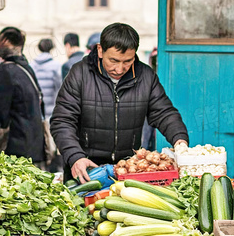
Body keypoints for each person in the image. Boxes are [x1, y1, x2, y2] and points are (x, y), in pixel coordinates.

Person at [50, 22, 189, 183]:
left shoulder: (145, 76)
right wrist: (75, 156)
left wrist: (179, 140)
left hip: (129, 170)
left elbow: (164, 113)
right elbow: (62, 120)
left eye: (127, 61)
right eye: (114, 61)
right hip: (86, 169)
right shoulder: (80, 73)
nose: (119, 69)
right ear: (100, 50)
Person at [0, 26, 46, 165]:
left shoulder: (6, 71)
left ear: (5, 42)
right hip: (32, 143)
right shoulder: (26, 67)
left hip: (16, 147)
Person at [31, 38, 62, 121]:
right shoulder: (56, 66)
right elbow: (59, 88)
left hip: (36, 109)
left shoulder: (31, 65)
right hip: (51, 109)